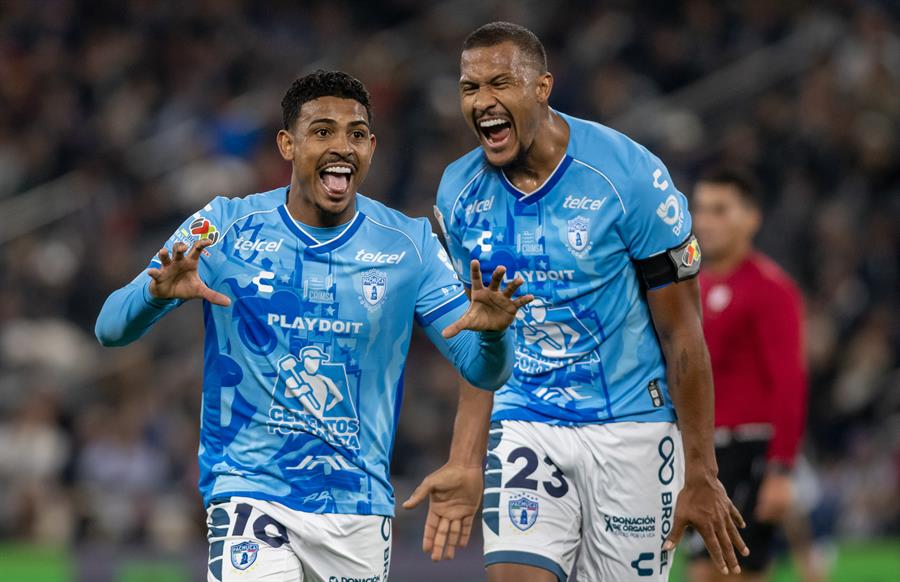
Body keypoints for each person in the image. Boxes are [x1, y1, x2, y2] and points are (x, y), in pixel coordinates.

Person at [95, 70, 533, 582]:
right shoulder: (224, 226)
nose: (342, 146)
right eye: (323, 131)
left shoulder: (408, 243)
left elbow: (482, 370)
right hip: (250, 492)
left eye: (357, 134)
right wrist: (153, 293)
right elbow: (109, 328)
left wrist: (495, 333)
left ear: (372, 146)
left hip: (358, 505)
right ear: (288, 143)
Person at [428, 22, 748, 582]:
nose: (483, 103)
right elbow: (480, 337)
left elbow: (683, 334)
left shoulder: (629, 178)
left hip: (634, 426)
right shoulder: (458, 194)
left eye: (500, 83)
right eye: (470, 88)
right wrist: (464, 458)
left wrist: (701, 470)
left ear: (542, 87)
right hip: (527, 418)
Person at [687, 167, 808, 582]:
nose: (705, 220)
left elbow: (789, 381)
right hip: (701, 456)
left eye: (720, 210)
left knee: (729, 573)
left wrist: (780, 469)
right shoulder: (689, 290)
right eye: (701, 209)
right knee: (704, 572)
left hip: (750, 451)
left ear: (751, 218)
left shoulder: (771, 289)